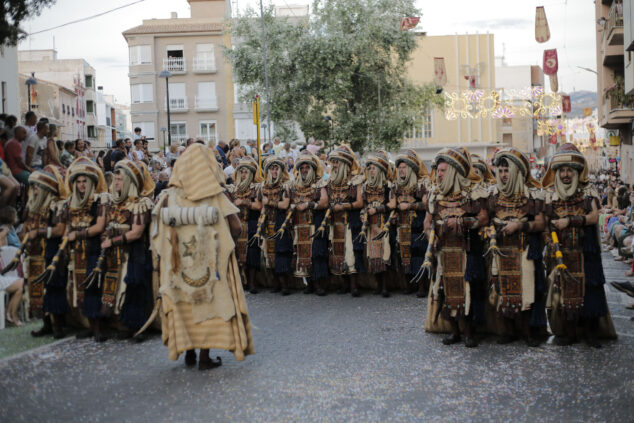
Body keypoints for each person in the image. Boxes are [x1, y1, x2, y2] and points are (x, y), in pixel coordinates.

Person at [151, 143, 254, 370]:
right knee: (209, 304)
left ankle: (188, 351)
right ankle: (205, 358)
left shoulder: (168, 197)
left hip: (179, 266)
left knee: (184, 304)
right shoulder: (215, 196)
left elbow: (158, 235)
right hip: (210, 265)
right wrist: (228, 246)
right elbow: (236, 227)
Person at [542, 143, 617, 348]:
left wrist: (570, 221)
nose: (566, 174)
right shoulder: (549, 194)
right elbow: (545, 222)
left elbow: (593, 216)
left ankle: (590, 333)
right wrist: (549, 242)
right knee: (563, 294)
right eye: (562, 170)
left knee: (590, 292)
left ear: (576, 171)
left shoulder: (588, 190)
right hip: (560, 252)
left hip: (585, 252)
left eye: (570, 170)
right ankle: (569, 332)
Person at [424, 147, 489, 348]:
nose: (439, 174)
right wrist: (430, 237)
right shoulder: (434, 194)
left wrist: (462, 222)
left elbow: (484, 218)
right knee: (443, 290)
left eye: (443, 170)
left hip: (466, 251)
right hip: (443, 252)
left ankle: (469, 333)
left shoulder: (472, 192)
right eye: (438, 170)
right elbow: (427, 223)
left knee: (467, 292)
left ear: (453, 171)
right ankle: (454, 332)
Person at [486, 148, 547, 347]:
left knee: (526, 291)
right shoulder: (492, 195)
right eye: (500, 170)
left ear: (518, 172)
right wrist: (488, 230)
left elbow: (540, 224)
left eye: (507, 170)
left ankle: (528, 332)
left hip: (524, 249)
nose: (503, 175)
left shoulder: (532, 195)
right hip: (500, 252)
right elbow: (485, 220)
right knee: (502, 290)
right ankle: (508, 331)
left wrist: (519, 225)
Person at [99, 160, 155, 340]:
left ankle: (138, 326)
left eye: (120, 180)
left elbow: (136, 233)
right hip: (114, 256)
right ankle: (120, 323)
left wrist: (112, 241)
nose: (116, 183)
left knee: (135, 288)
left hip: (134, 254)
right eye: (115, 180)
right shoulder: (112, 202)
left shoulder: (141, 203)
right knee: (114, 290)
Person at [61, 157, 110, 342]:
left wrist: (77, 235)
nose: (81, 185)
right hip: (76, 253)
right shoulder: (69, 203)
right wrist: (66, 242)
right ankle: (91, 326)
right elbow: (67, 227)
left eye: (85, 181)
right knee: (80, 288)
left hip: (95, 250)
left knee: (93, 287)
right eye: (78, 181)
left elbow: (99, 227)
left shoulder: (101, 200)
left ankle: (98, 328)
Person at [25, 166, 70, 338]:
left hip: (52, 252)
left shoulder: (57, 206)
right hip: (35, 253)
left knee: (54, 288)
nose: (34, 191)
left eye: (37, 187)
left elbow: (59, 230)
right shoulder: (32, 207)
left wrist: (39, 232)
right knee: (38, 289)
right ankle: (46, 324)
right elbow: (26, 229)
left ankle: (58, 326)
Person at [388, 150, 429, 297]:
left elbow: (426, 205)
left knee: (418, 254)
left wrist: (410, 206)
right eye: (400, 167)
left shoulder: (422, 184)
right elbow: (393, 205)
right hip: (401, 225)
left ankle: (421, 286)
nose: (401, 170)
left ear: (411, 168)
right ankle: (409, 284)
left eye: (404, 167)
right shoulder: (395, 186)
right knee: (403, 254)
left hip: (417, 223)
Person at [287, 151, 329, 295]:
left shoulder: (319, 183)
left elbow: (324, 202)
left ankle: (319, 284)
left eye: (307, 167)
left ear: (312, 168)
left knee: (316, 254)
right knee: (302, 254)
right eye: (302, 167)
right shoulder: (294, 185)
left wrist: (309, 205)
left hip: (314, 223)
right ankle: (309, 283)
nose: (304, 170)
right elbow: (290, 202)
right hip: (299, 225)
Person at [326, 145, 365, 296]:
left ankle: (354, 286)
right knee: (337, 252)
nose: (334, 165)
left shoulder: (356, 180)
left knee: (351, 253)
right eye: (333, 162)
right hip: (335, 222)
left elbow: (360, 202)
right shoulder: (330, 181)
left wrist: (343, 206)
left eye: (337, 162)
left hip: (350, 221)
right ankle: (344, 284)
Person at [360, 151, 393, 297]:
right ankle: (378, 285)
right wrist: (363, 214)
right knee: (373, 258)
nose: (371, 170)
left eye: (374, 168)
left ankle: (385, 286)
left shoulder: (387, 186)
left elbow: (393, 204)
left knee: (384, 256)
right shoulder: (365, 187)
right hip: (370, 226)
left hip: (383, 225)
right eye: (370, 168)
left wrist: (377, 209)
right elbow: (363, 205)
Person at [227, 157, 263, 294]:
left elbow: (258, 205)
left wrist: (243, 202)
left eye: (246, 172)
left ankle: (252, 282)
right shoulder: (232, 188)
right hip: (237, 223)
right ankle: (241, 281)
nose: (243, 175)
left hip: (251, 223)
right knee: (237, 253)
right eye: (241, 172)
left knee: (252, 252)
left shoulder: (257, 187)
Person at [259, 156, 293, 294]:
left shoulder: (286, 185)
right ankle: (276, 283)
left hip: (282, 221)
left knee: (282, 252)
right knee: (270, 254)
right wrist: (261, 220)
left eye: (276, 168)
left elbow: (284, 204)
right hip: (269, 222)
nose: (274, 171)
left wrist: (269, 202)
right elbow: (263, 206)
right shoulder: (263, 186)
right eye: (272, 168)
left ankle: (285, 284)